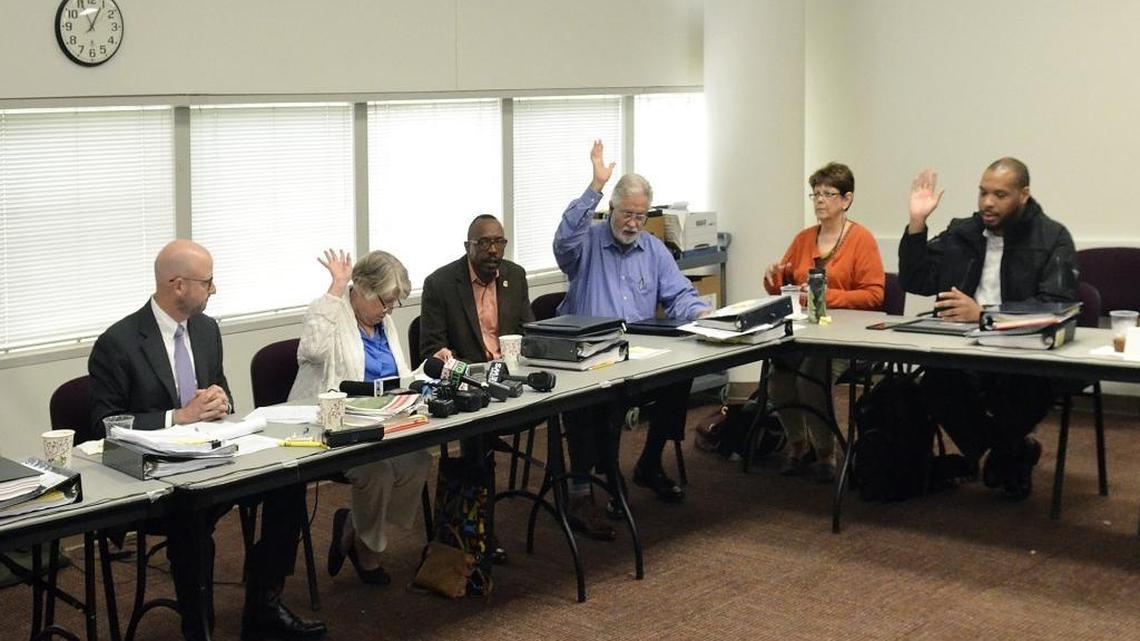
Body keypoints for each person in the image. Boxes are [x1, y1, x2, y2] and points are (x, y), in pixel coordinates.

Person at [89, 239, 325, 641]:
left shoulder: (206, 329)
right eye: (208, 281)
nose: (214, 289)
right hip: (159, 478)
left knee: (288, 482)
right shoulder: (119, 343)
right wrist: (174, 417)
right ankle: (199, 631)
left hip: (215, 459)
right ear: (177, 285)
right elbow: (105, 425)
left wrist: (220, 401)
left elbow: (223, 396)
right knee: (192, 518)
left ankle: (263, 605)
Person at [898, 158, 1077, 500]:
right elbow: (915, 279)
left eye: (1000, 194)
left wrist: (985, 315)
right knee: (936, 382)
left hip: (1022, 351)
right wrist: (917, 224)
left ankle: (1004, 454)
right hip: (961, 346)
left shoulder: (1052, 238)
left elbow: (1056, 304)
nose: (988, 203)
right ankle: (1007, 451)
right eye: (983, 193)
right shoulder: (962, 232)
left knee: (1024, 387)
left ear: (1023, 195)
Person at [553, 140, 710, 523]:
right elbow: (562, 242)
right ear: (612, 209)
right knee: (601, 402)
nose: (634, 223)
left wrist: (703, 314)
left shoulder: (653, 250)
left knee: (679, 378)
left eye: (641, 216)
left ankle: (650, 461)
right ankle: (598, 480)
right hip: (589, 358)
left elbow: (679, 296)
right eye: (627, 214)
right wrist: (594, 187)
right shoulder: (586, 243)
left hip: (637, 355)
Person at [288, 249, 431, 586]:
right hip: (333, 429)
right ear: (362, 290)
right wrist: (336, 288)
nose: (388, 310)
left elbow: (399, 377)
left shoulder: (384, 323)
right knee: (377, 472)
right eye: (384, 301)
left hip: (382, 424)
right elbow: (310, 350)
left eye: (393, 303)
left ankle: (355, 525)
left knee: (417, 463)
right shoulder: (331, 314)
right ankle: (369, 553)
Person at [419, 214, 541, 545]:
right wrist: (462, 369)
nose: (492, 250)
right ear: (468, 246)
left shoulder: (514, 276)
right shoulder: (440, 284)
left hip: (513, 380)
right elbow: (431, 348)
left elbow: (529, 332)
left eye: (498, 242)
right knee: (477, 435)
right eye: (484, 243)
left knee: (555, 408)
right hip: (471, 387)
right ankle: (481, 525)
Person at [763, 162, 884, 482]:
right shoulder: (804, 239)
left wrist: (831, 296)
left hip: (844, 337)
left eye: (828, 194)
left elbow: (875, 296)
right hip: (803, 332)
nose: (819, 201)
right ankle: (798, 445)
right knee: (779, 376)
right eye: (815, 194)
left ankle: (826, 453)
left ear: (847, 200)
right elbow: (786, 286)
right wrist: (773, 279)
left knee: (809, 377)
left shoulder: (862, 240)